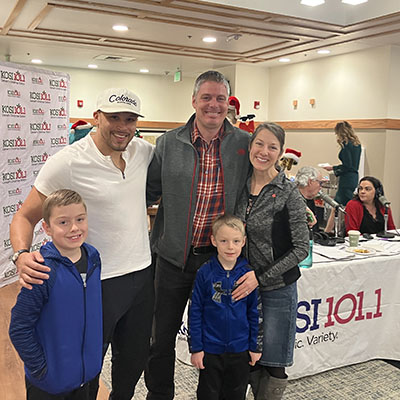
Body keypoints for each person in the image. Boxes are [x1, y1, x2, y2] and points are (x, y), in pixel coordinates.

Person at [10, 88, 154, 400]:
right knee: (87, 369)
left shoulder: (143, 151)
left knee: (133, 361)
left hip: (142, 276)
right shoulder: (68, 162)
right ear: (96, 118)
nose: (122, 126)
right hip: (95, 283)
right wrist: (21, 255)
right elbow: (23, 217)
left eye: (129, 119)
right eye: (113, 118)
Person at [145, 70, 251, 400]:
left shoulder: (244, 145)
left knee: (220, 339)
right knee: (160, 338)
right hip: (174, 258)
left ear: (229, 103)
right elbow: (147, 193)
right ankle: (159, 394)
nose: (213, 105)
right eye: (206, 97)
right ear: (193, 101)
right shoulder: (168, 142)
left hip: (221, 262)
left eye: (221, 98)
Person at [234, 122, 309, 400]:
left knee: (274, 362)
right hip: (242, 288)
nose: (264, 152)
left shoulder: (288, 192)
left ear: (280, 153)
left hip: (277, 289)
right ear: (250, 146)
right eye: (259, 144)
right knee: (246, 357)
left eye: (272, 147)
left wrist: (261, 276)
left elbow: (301, 248)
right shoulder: (238, 186)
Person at [9, 189, 102, 399]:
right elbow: (19, 328)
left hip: (84, 377)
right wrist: (41, 369)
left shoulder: (94, 258)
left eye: (80, 219)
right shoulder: (41, 270)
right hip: (49, 384)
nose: (74, 228)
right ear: (46, 228)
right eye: (63, 222)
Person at [189, 214, 261, 400]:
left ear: (244, 242)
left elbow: (255, 313)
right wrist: (196, 348)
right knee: (208, 393)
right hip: (210, 349)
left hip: (240, 349)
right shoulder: (205, 272)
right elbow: (195, 312)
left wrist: (255, 346)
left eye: (236, 241)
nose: (230, 247)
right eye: (224, 241)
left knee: (236, 394)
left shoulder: (248, 276)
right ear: (214, 241)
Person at [323, 121, 361, 233]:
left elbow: (347, 166)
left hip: (347, 178)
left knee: (339, 204)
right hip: (353, 177)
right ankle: (332, 229)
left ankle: (332, 230)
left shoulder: (347, 145)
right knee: (343, 204)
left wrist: (333, 168)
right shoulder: (356, 144)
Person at [295, 166, 324, 232]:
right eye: (320, 183)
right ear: (310, 182)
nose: (320, 187)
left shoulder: (310, 200)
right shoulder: (294, 200)